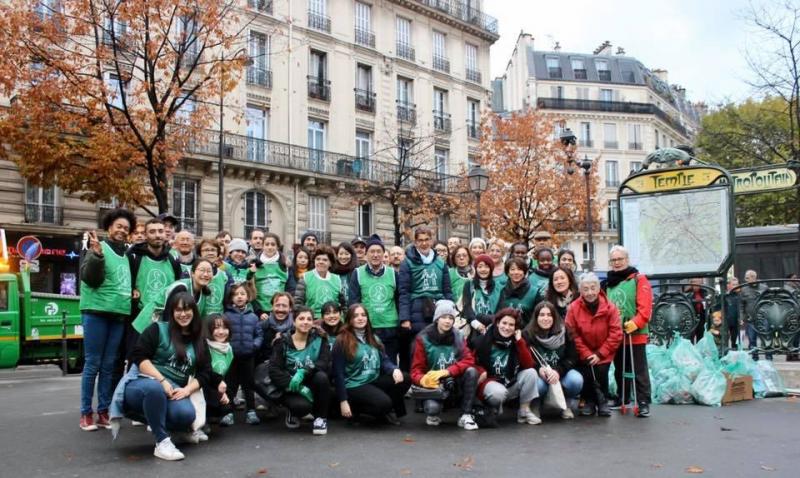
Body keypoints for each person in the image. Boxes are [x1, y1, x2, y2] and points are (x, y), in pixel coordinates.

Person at [111, 290, 211, 461]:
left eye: (187, 309)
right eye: (178, 310)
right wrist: (162, 381)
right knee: (154, 389)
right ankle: (162, 442)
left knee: (186, 415)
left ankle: (178, 431)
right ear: (172, 312)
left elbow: (205, 372)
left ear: (194, 312)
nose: (183, 314)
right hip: (142, 383)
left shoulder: (199, 340)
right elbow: (139, 357)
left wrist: (187, 390)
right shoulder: (157, 329)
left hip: (174, 390)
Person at [79, 208, 136, 431]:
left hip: (118, 314)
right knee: (93, 363)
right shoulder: (98, 248)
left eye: (126, 228)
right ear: (109, 227)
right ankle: (86, 414)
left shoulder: (126, 254)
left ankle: (103, 411)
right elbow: (90, 279)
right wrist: (97, 255)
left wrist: (134, 291)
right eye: (118, 226)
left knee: (109, 365)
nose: (122, 230)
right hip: (96, 312)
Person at [332, 304, 411, 424]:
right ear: (349, 319)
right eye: (356, 316)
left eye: (363, 315)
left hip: (372, 380)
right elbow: (338, 374)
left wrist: (394, 369)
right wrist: (343, 401)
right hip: (354, 384)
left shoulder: (373, 338)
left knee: (404, 378)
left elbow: (384, 360)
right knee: (384, 403)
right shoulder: (342, 340)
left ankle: (384, 410)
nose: (360, 318)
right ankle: (356, 410)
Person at [411, 300, 479, 430]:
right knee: (432, 408)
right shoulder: (422, 338)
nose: (447, 321)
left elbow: (469, 360)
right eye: (443, 317)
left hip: (454, 381)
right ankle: (433, 414)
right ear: (437, 319)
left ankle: (465, 414)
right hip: (434, 385)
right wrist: (423, 379)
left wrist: (448, 371)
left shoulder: (458, 336)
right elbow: (415, 370)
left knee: (472, 371)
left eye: (450, 318)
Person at [127, 218, 182, 373]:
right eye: (152, 231)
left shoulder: (172, 259)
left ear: (166, 234)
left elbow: (178, 286)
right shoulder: (134, 256)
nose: (157, 235)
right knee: (135, 363)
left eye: (160, 231)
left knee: (160, 363)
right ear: (145, 235)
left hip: (165, 320)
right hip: (140, 319)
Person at [603, 246, 652, 417]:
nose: (616, 263)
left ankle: (643, 400)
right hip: (616, 333)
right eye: (613, 260)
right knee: (620, 368)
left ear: (627, 260)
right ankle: (622, 396)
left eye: (620, 259)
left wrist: (635, 322)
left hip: (635, 332)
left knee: (639, 369)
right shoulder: (608, 283)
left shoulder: (639, 280)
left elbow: (645, 308)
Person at [566, 272, 622, 417]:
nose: (589, 292)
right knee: (586, 370)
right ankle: (590, 401)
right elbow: (572, 334)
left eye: (593, 288)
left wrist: (600, 353)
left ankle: (602, 401)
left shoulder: (610, 308)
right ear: (580, 291)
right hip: (583, 350)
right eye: (585, 289)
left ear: (598, 289)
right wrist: (586, 353)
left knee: (601, 370)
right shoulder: (573, 308)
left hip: (604, 351)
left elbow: (616, 333)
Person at [269, 306, 331, 435]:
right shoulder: (282, 341)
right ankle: (292, 412)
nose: (305, 322)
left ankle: (320, 418)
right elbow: (274, 369)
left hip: (311, 381)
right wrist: (297, 386)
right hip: (290, 385)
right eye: (301, 318)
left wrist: (304, 371)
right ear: (294, 322)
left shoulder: (320, 339)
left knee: (322, 377)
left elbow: (323, 363)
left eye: (309, 319)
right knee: (302, 407)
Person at [473, 308, 540, 426]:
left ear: (516, 328)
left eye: (511, 325)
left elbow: (529, 364)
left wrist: (519, 341)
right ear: (498, 323)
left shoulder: (517, 341)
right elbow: (472, 362)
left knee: (531, 373)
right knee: (499, 393)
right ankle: (492, 408)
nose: (507, 327)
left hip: (509, 382)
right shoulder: (483, 340)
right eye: (504, 323)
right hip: (490, 383)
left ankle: (524, 411)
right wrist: (481, 371)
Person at [398, 226, 453, 370]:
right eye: (420, 240)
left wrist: (450, 313)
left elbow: (447, 290)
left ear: (431, 240)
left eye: (427, 239)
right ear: (415, 242)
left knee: (436, 348)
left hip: (438, 309)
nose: (424, 243)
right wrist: (405, 318)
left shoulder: (441, 263)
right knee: (418, 348)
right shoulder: (407, 263)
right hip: (416, 310)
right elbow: (403, 292)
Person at [523, 302, 582, 420]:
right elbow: (524, 360)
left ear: (554, 317)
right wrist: (538, 370)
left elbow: (572, 358)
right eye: (542, 315)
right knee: (537, 384)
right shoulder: (527, 334)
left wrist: (558, 372)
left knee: (576, 380)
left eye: (549, 315)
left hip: (560, 373)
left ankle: (565, 404)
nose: (546, 318)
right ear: (536, 317)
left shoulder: (564, 332)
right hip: (540, 375)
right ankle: (536, 404)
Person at [348, 234, 400, 365]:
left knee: (390, 364)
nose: (375, 255)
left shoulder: (393, 274)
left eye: (379, 251)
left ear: (384, 254)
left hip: (390, 327)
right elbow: (354, 302)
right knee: (370, 364)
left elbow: (399, 300)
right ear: (366, 255)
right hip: (368, 328)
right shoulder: (357, 273)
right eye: (372, 251)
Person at [221, 283, 263, 426]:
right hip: (231, 357)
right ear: (231, 298)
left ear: (248, 297)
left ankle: (251, 411)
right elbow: (221, 334)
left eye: (242, 294)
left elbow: (259, 335)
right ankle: (228, 412)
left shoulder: (253, 317)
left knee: (248, 385)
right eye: (236, 294)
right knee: (230, 385)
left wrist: (254, 346)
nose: (239, 297)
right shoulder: (226, 315)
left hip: (248, 356)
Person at [294, 245, 345, 319]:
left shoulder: (337, 279)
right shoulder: (305, 277)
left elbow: (343, 305)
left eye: (325, 260)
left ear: (330, 263)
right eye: (318, 259)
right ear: (314, 261)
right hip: (313, 321)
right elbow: (298, 304)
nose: (321, 262)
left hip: (334, 320)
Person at [462, 255, 502, 341]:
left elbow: (500, 309)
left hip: (493, 326)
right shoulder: (469, 285)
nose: (483, 269)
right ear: (476, 269)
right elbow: (467, 306)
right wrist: (476, 324)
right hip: (473, 326)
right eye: (480, 266)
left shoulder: (499, 287)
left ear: (491, 269)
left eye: (486, 267)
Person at [253, 232, 291, 321]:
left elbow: (289, 289)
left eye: (273, 244)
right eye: (267, 244)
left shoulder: (285, 264)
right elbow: (251, 291)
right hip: (260, 312)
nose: (270, 247)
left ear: (277, 247)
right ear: (262, 246)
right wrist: (259, 312)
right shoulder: (254, 264)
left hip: (280, 311)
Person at [204, 314, 233, 428]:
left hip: (217, 386)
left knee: (227, 405)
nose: (221, 332)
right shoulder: (204, 346)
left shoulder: (229, 348)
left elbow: (226, 374)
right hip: (202, 386)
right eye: (216, 328)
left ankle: (209, 416)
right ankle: (199, 421)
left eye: (225, 327)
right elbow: (203, 373)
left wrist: (223, 393)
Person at [498, 257, 541, 326]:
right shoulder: (502, 290)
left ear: (524, 272)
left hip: (526, 332)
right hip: (505, 330)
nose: (516, 272)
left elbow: (538, 316)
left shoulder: (534, 292)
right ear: (507, 272)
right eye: (512, 269)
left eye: (519, 269)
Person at [196, 239, 232, 315]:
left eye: (213, 250)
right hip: (199, 319)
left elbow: (228, 300)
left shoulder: (225, 274)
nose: (210, 253)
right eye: (206, 250)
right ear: (199, 254)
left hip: (218, 319)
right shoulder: (192, 272)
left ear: (218, 254)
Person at [740, 269, 769, 360]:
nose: (748, 279)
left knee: (766, 338)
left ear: (755, 277)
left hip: (763, 317)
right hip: (750, 319)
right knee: (752, 339)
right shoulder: (744, 289)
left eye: (750, 277)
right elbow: (741, 305)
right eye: (747, 278)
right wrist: (741, 317)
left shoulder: (764, 288)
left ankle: (768, 357)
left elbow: (769, 301)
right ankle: (754, 358)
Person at [258, 292, 295, 363]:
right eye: (277, 305)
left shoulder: (295, 329)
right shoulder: (263, 326)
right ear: (272, 307)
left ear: (290, 308)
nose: (280, 309)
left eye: (284, 306)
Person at [686, 278, 709, 343]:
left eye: (698, 283)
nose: (696, 285)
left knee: (700, 335)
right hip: (691, 318)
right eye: (695, 283)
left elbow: (707, 302)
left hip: (701, 317)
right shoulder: (688, 293)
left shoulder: (704, 292)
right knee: (690, 337)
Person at [722, 277, 741, 350]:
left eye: (737, 284)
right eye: (733, 284)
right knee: (724, 340)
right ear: (728, 285)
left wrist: (741, 318)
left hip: (736, 321)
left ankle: (735, 354)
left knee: (735, 340)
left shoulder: (740, 295)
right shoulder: (724, 295)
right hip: (726, 321)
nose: (736, 286)